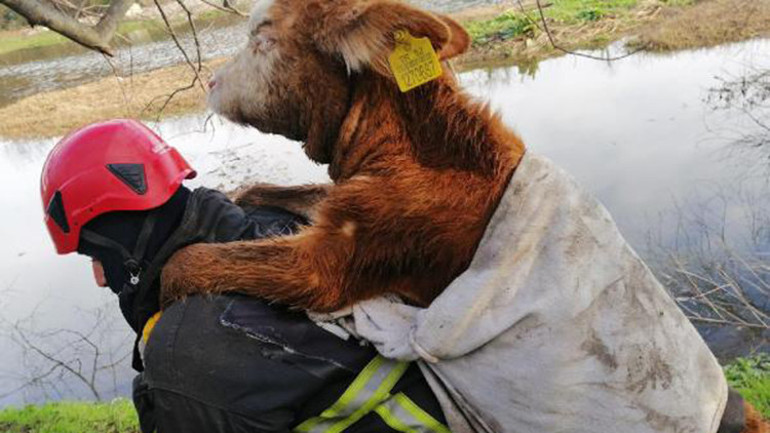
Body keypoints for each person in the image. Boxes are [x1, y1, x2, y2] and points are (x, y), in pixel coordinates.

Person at [40, 119, 449, 433]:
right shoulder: (277, 220)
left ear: (128, 245)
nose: (98, 278)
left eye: (96, 256)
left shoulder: (186, 356)